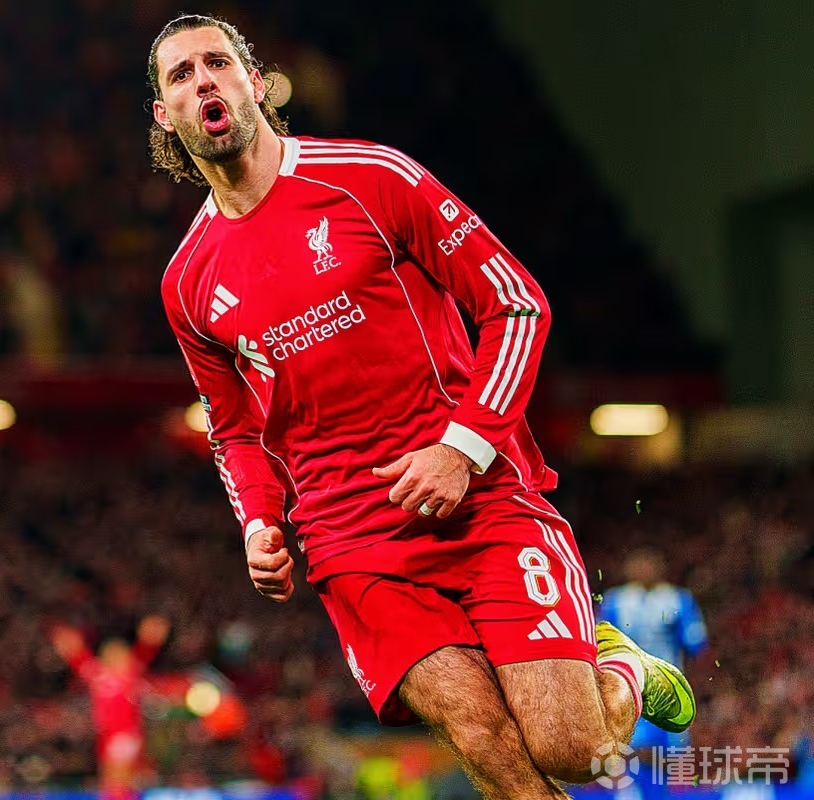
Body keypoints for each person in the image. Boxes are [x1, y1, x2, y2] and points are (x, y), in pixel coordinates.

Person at [149, 15, 695, 798]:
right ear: (165, 114)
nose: (204, 78)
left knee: (572, 751)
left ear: (256, 83)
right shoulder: (187, 280)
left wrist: (461, 447)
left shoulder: (372, 178)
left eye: (219, 62)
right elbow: (233, 428)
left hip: (479, 497)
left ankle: (625, 671)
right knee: (482, 735)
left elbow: (517, 304)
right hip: (352, 536)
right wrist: (260, 521)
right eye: (181, 73)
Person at [597, 547, 708, 751]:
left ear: (660, 567)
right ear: (628, 568)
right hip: (627, 687)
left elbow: (696, 643)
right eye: (639, 564)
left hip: (668, 686)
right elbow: (600, 643)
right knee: (627, 748)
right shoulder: (614, 601)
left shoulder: (678, 600)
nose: (644, 570)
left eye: (649, 564)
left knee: (671, 750)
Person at [50, 615, 171, 800]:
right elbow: (78, 658)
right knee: (110, 780)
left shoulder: (130, 673)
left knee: (120, 777)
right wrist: (66, 642)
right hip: (106, 735)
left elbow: (146, 649)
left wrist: (152, 635)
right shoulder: (98, 675)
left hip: (125, 734)